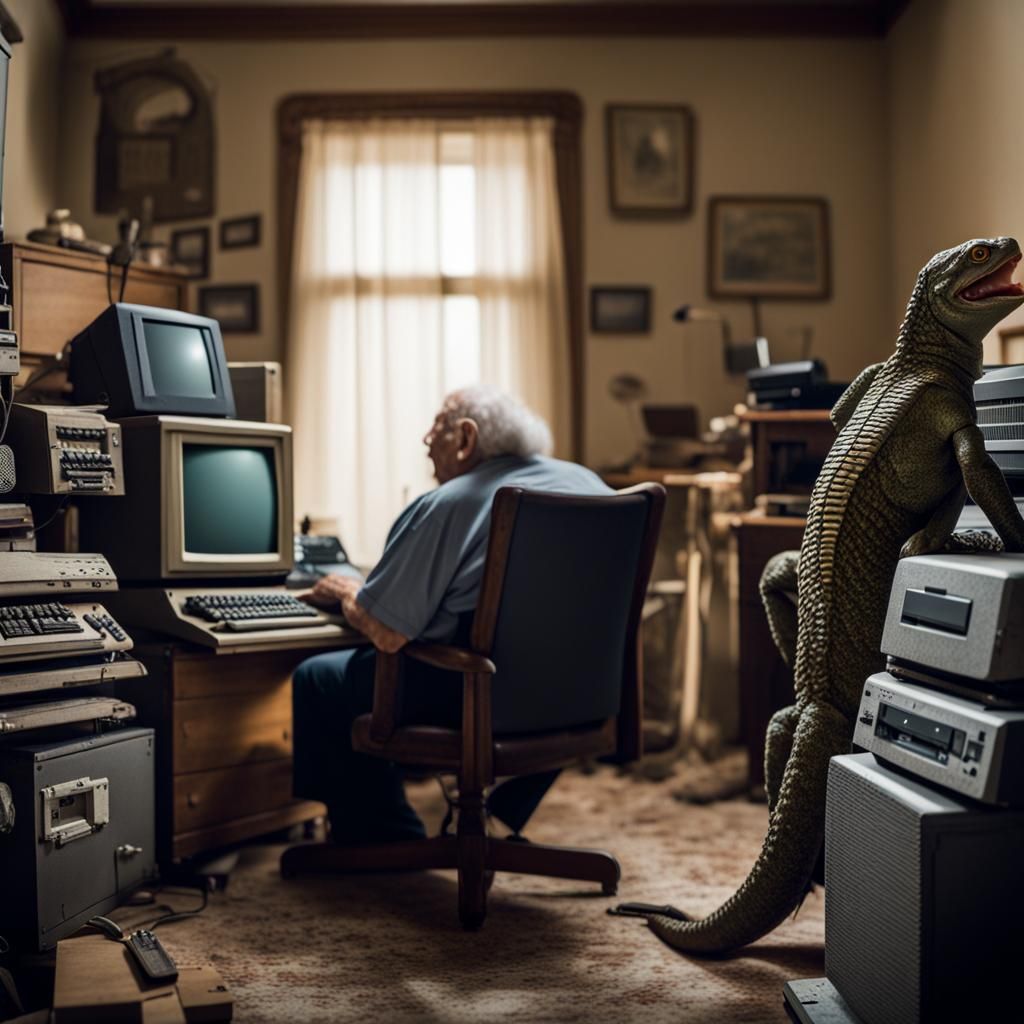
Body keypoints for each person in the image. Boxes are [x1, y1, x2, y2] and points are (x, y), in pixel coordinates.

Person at [292, 386, 612, 844]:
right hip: (585, 697)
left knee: (318, 679)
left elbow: (386, 631)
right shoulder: (591, 486)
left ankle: (384, 838)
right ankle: (501, 816)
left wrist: (344, 589)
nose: (426, 438)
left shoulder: (450, 503)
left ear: (466, 437)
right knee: (545, 668)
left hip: (480, 698)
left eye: (437, 426)